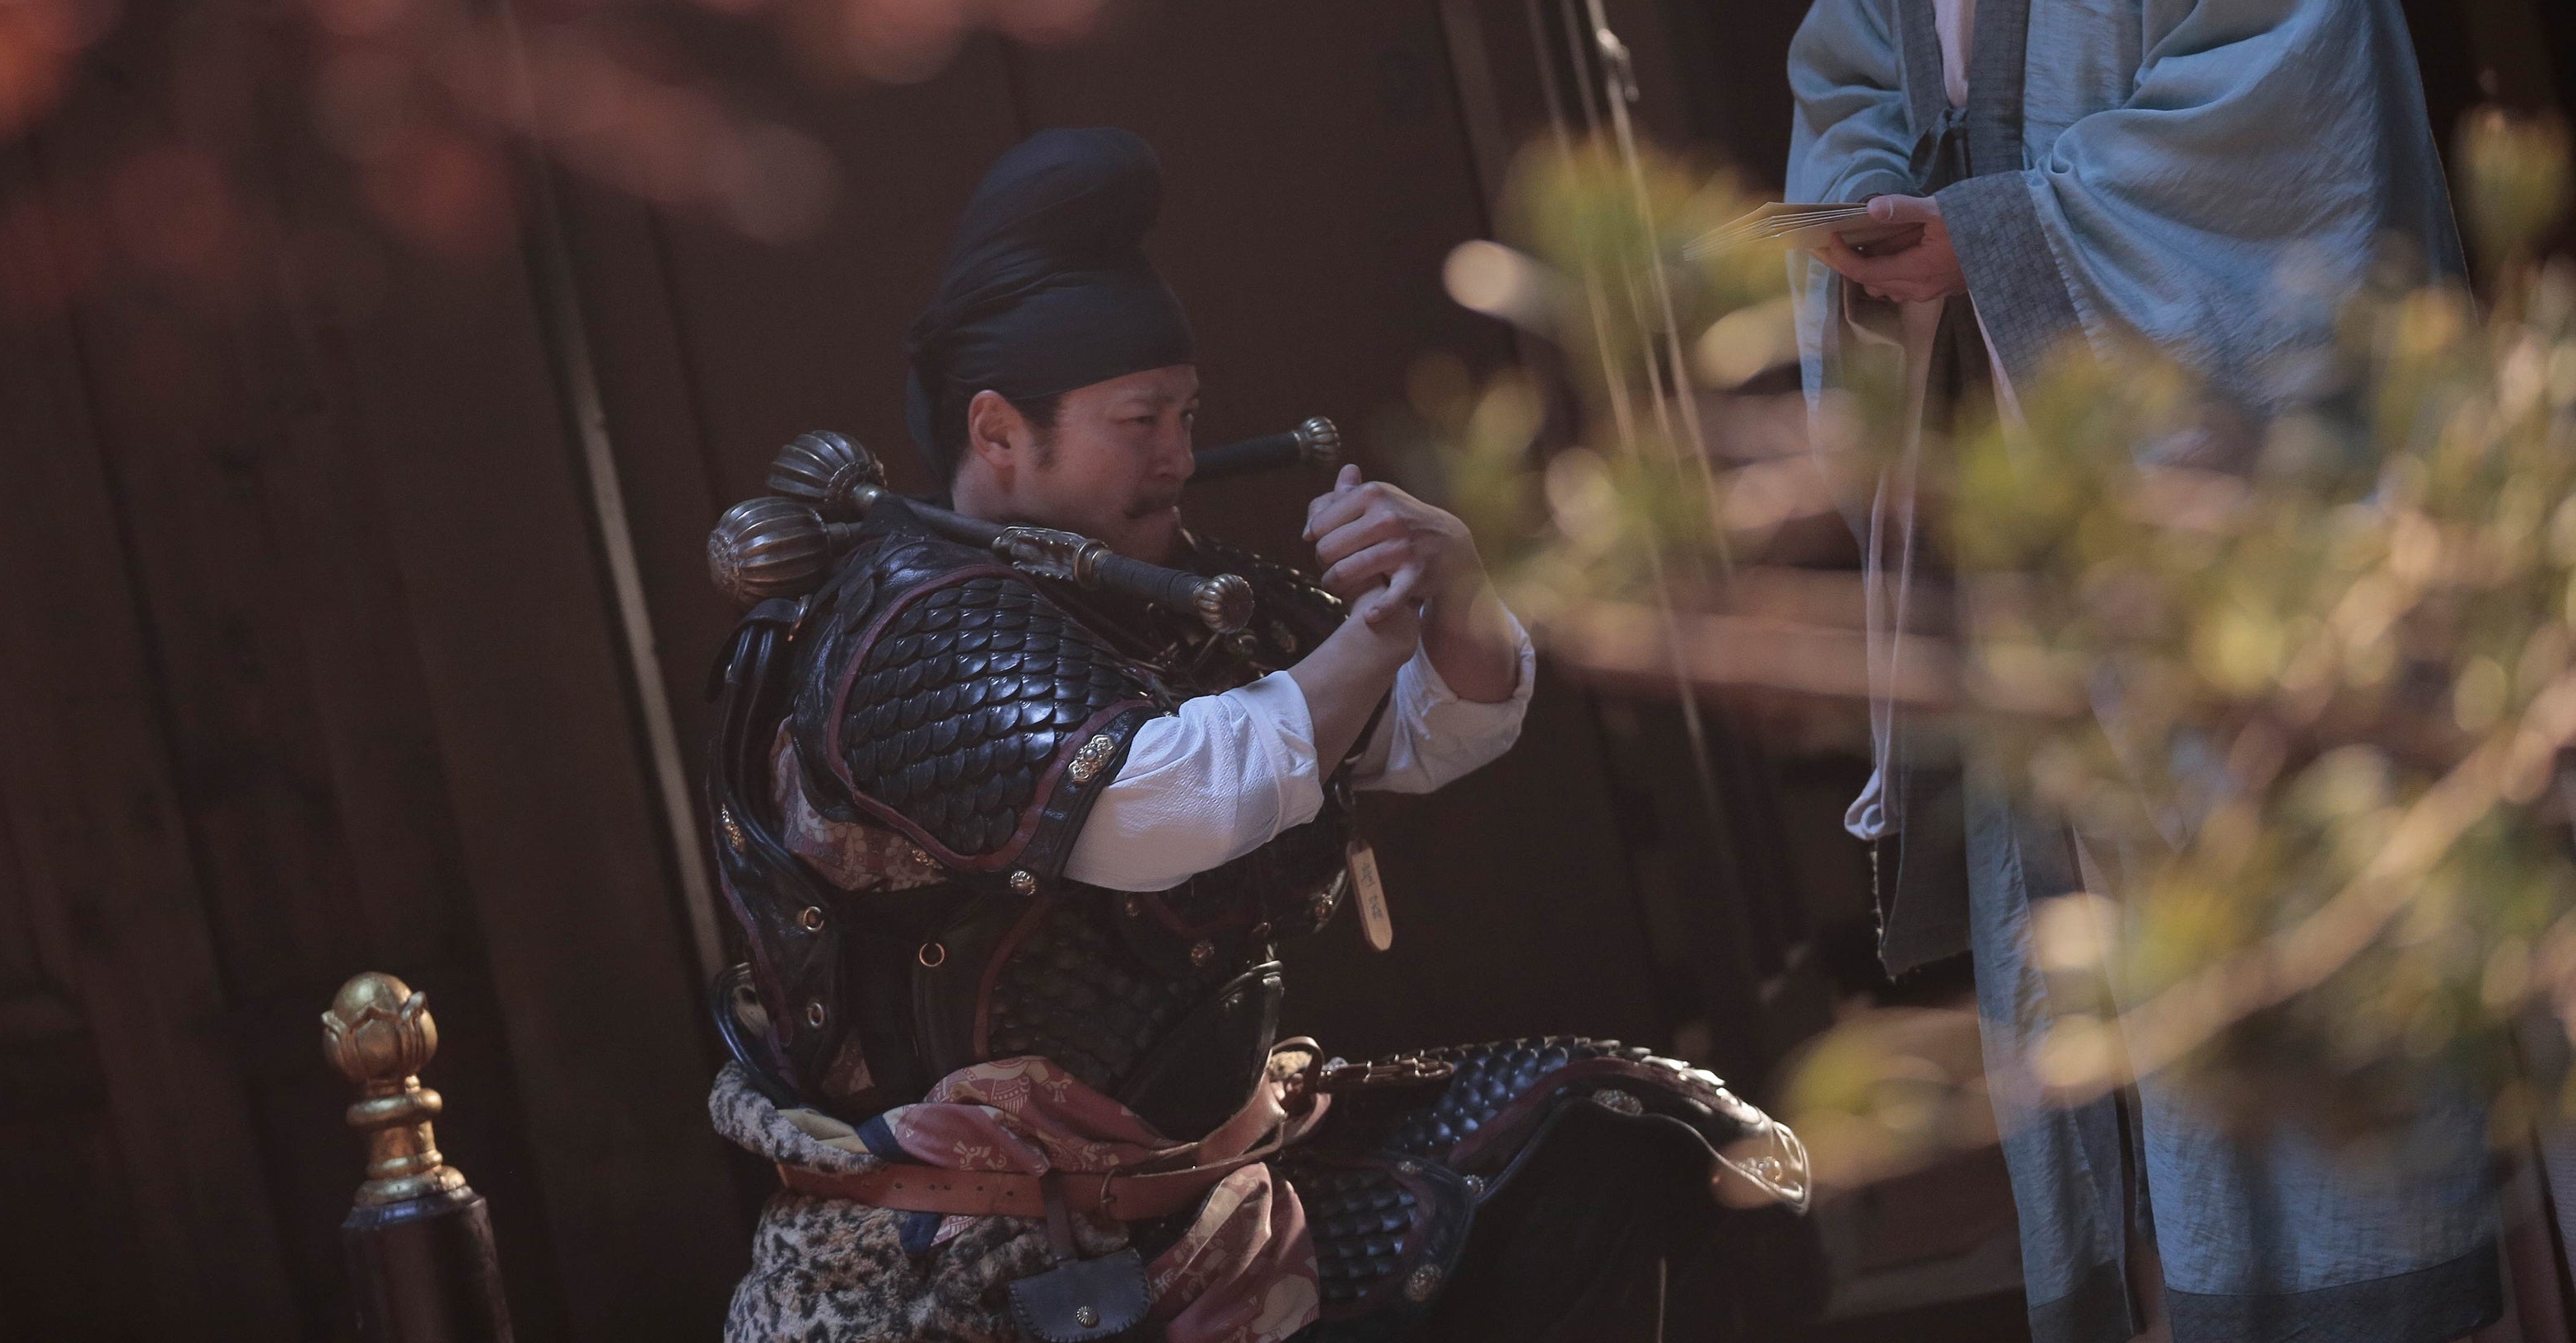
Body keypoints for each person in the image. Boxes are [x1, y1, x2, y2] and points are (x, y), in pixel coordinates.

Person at [1730, 0, 2494, 1343]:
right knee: (2118, 1001)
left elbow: (2291, 104)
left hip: (2211, 487)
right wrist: (1884, 209)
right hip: (2048, 475)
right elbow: (1852, 68)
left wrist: (1999, 233)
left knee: (2280, 972)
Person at [702, 126, 1808, 1342]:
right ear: (1001, 432)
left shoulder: (1148, 583)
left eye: (1187, 413)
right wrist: (1368, 643)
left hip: (1216, 1195)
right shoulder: (915, 621)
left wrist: (1452, 591)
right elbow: (1156, 804)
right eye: (1140, 420)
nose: (1180, 455)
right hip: (965, 1267)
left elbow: (1420, 737)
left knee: (1611, 1132)